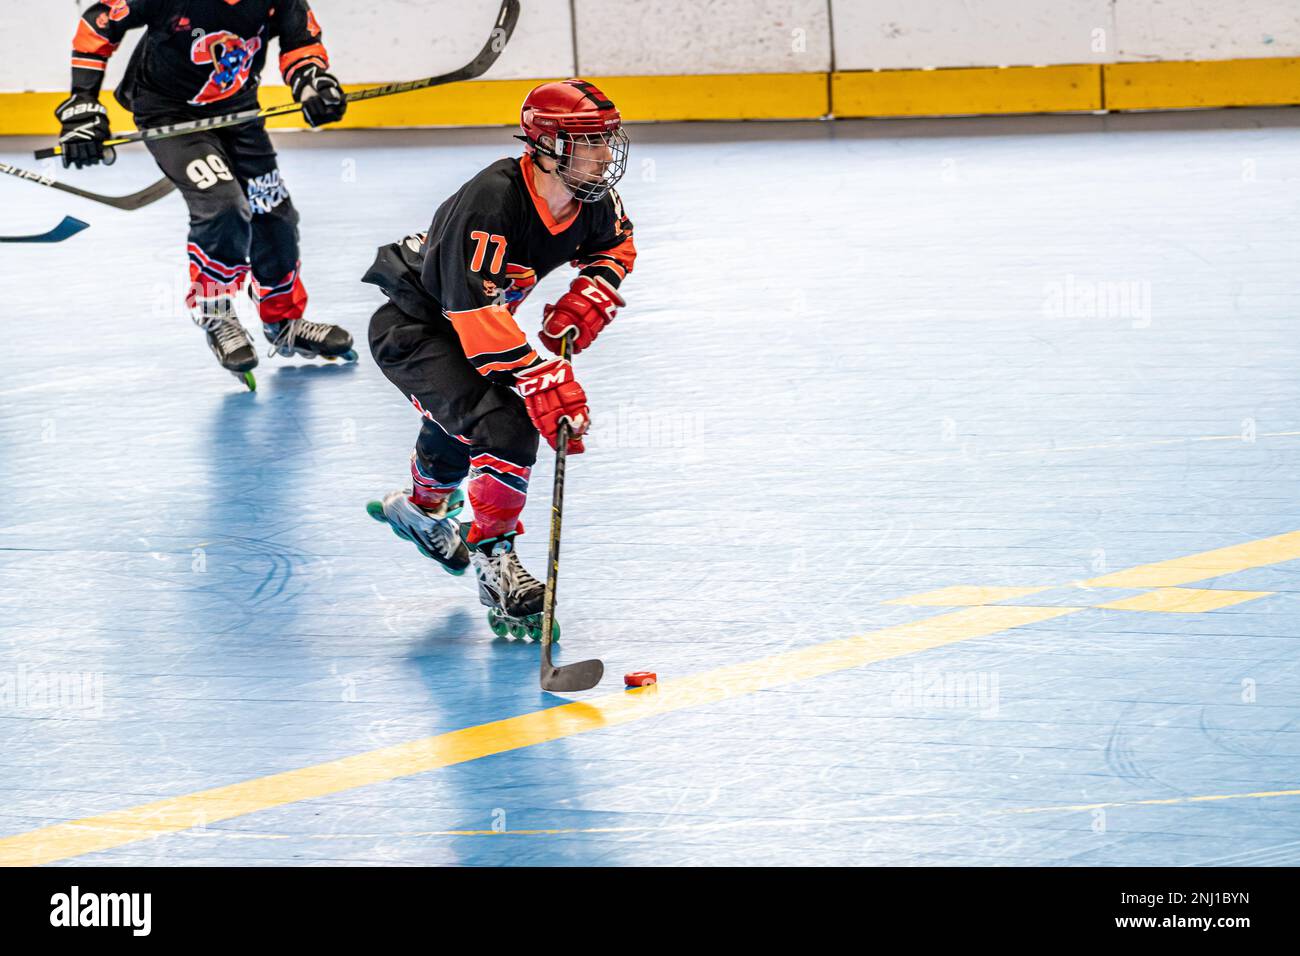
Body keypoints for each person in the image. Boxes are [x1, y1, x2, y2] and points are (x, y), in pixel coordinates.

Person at [363, 79, 636, 636]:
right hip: (418, 329)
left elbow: (616, 245)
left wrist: (593, 291)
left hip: (477, 323)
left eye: (606, 140)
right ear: (548, 147)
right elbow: (469, 316)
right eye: (589, 142)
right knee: (506, 426)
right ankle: (496, 565)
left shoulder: (589, 197)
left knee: (463, 421)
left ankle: (421, 511)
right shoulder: (492, 199)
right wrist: (540, 377)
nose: (605, 154)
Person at [58, 0, 355, 389]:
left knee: (276, 216)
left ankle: (283, 321)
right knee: (222, 207)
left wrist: (314, 83)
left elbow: (301, 42)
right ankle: (215, 311)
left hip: (238, 111)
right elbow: (98, 23)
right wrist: (83, 102)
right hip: (169, 116)